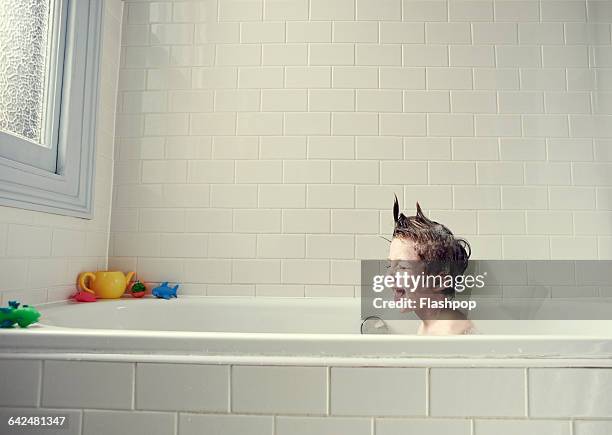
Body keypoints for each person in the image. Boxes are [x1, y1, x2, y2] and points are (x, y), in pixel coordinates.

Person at [388, 196, 476, 335]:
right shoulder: (431, 324)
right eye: (390, 266)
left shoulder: (450, 333)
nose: (389, 277)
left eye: (402, 267)